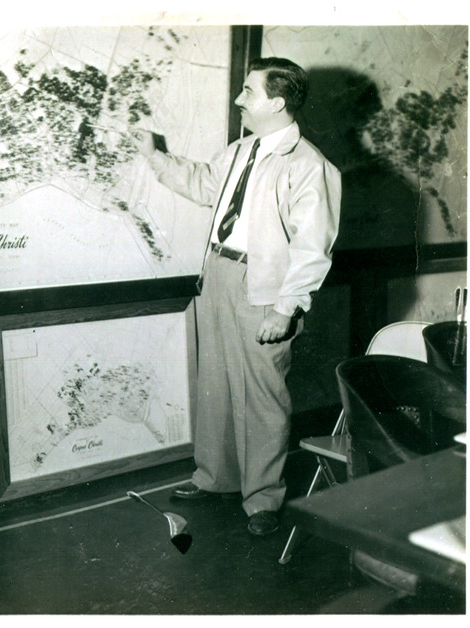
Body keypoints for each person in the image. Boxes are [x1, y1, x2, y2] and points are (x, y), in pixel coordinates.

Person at [131, 57, 341, 536]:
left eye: (249, 91)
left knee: (262, 397)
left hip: (263, 288)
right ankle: (214, 478)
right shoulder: (242, 149)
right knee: (216, 385)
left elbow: (313, 247)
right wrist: (155, 157)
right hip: (219, 274)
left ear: (277, 102)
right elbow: (207, 184)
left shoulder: (310, 166)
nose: (239, 99)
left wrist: (286, 308)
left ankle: (263, 498)